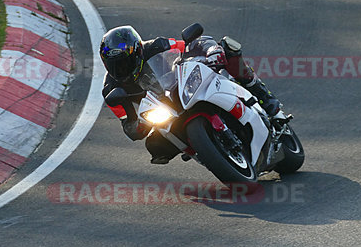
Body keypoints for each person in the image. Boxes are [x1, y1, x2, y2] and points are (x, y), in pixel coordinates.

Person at [100, 25, 281, 164]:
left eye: (125, 63)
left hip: (182, 86)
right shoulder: (110, 90)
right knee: (155, 146)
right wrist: (139, 125)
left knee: (228, 49)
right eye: (114, 65)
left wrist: (211, 51)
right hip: (163, 112)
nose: (120, 69)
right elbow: (128, 126)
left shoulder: (157, 45)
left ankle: (265, 97)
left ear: (137, 52)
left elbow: (191, 45)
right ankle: (202, 150)